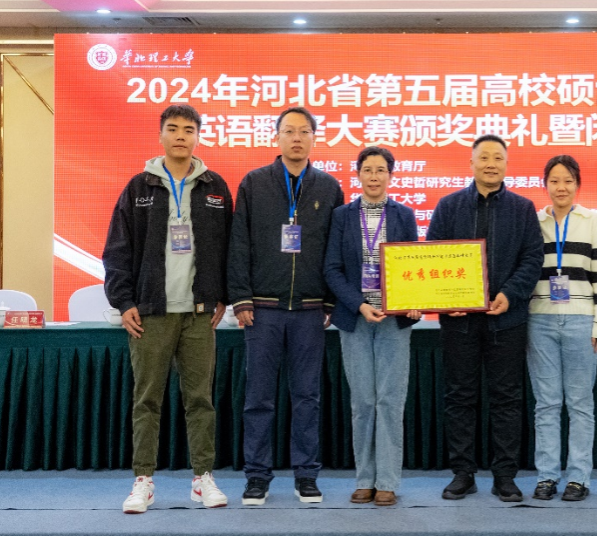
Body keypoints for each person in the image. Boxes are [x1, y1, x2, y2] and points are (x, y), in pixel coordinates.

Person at [103, 104, 232, 514]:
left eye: (188, 129)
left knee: (200, 400)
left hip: (198, 312)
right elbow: (117, 250)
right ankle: (143, 480)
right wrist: (124, 301)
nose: (180, 135)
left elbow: (229, 247)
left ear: (198, 136)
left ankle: (203, 478)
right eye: (173, 128)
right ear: (160, 135)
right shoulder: (139, 187)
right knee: (147, 400)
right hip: (151, 312)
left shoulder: (215, 187)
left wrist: (223, 295)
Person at [227, 107, 344, 505]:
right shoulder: (255, 182)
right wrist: (241, 297)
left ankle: (306, 475)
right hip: (262, 309)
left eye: (304, 132)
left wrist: (330, 299)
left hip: (310, 310)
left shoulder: (328, 187)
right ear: (276, 137)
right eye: (289, 131)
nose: (297, 138)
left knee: (307, 397)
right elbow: (238, 243)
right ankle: (257, 477)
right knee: (258, 399)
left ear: (314, 138)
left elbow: (336, 249)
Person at [426, 134, 544, 503]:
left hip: (506, 320)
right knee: (459, 397)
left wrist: (509, 294)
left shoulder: (523, 208)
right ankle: (463, 473)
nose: (491, 164)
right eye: (484, 157)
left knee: (507, 398)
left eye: (498, 158)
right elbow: (432, 257)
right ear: (472, 163)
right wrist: (445, 299)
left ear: (506, 164)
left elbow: (532, 258)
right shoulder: (449, 206)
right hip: (458, 320)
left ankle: (505, 476)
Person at [324, 146, 421, 507]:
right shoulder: (341, 216)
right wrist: (360, 305)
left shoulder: (404, 215)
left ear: (391, 176)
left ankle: (388, 481)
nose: (375, 176)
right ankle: (365, 478)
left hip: (394, 321)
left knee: (390, 400)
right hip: (356, 318)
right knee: (363, 401)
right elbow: (332, 269)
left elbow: (414, 266)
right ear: (358, 175)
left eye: (381, 170)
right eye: (368, 170)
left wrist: (415, 301)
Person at [527, 155, 597, 502]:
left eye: (568, 181)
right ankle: (547, 476)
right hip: (540, 319)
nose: (561, 187)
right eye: (554, 181)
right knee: (546, 404)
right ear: (545, 184)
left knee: (580, 404)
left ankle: (578, 478)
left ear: (577, 184)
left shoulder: (592, 221)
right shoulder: (534, 222)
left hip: (581, 319)